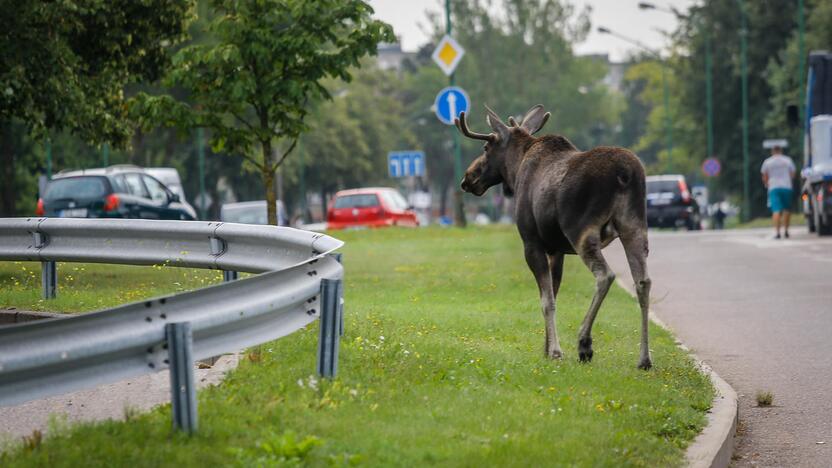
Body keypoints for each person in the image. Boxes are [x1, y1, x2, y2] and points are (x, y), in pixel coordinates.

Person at [760, 145, 796, 239]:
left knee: (776, 210)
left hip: (774, 187)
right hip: (786, 186)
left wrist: (767, 184)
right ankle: (786, 231)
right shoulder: (787, 160)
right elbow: (792, 173)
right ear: (781, 151)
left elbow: (764, 175)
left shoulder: (767, 161)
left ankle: (777, 233)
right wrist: (789, 181)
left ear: (772, 152)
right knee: (787, 210)